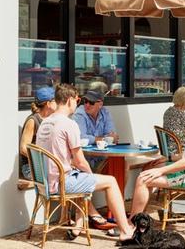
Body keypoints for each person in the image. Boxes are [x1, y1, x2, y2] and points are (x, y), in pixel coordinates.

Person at [36, 84, 134, 241]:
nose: (79, 103)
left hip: (44, 182)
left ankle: (78, 227)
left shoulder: (45, 123)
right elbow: (80, 161)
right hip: (61, 183)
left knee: (82, 177)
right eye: (78, 100)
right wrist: (91, 176)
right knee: (111, 181)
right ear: (69, 100)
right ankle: (125, 230)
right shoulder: (69, 124)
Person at [129, 85, 185, 216]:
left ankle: (132, 223)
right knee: (147, 173)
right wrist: (168, 159)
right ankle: (137, 219)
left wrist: (161, 170)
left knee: (143, 178)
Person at [19, 86, 57, 180]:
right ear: (48, 103)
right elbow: (23, 148)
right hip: (31, 168)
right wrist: (44, 160)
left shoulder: (52, 118)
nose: (58, 103)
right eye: (55, 100)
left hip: (48, 165)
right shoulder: (33, 120)